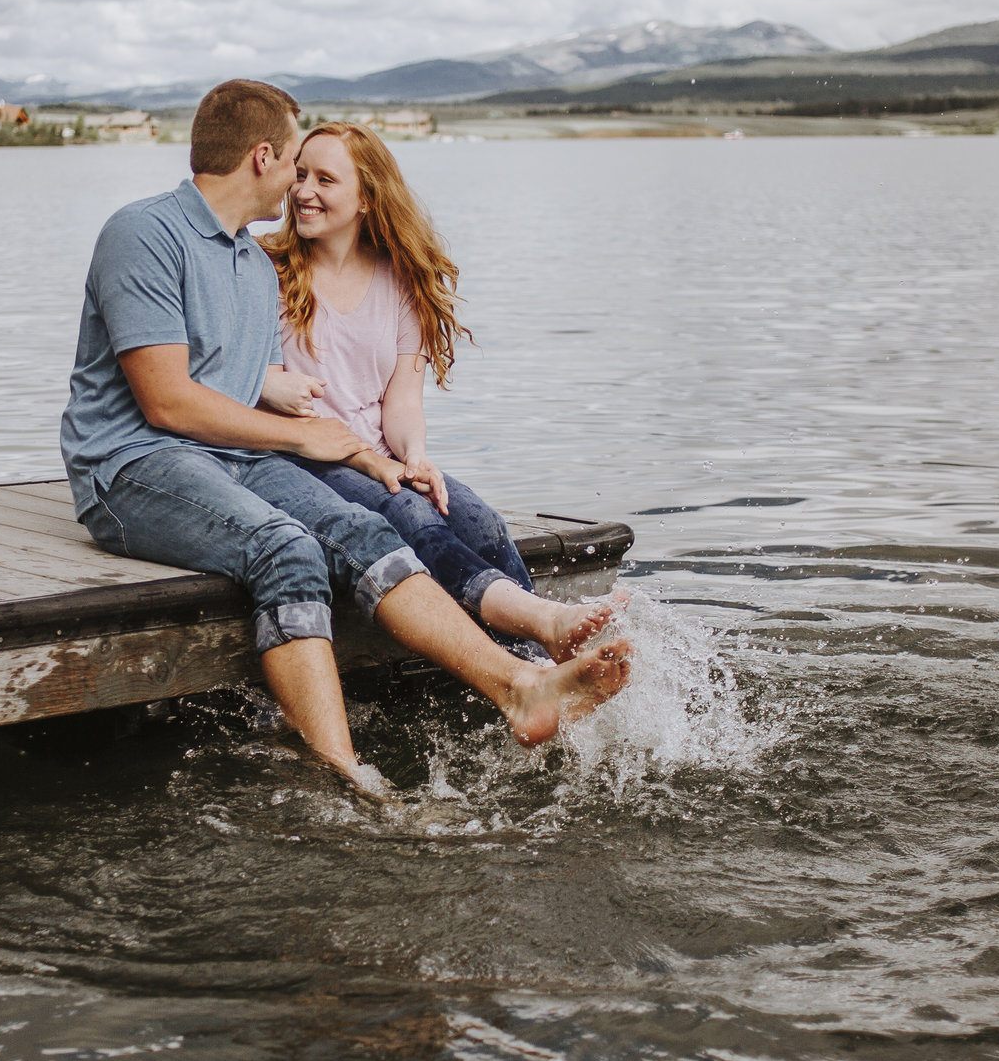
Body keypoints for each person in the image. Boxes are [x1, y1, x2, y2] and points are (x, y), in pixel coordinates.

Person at [58, 79, 629, 785]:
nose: (298, 180)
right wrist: (308, 438)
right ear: (263, 156)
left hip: (233, 458)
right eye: (296, 161)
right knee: (289, 548)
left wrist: (368, 449)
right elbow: (168, 403)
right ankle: (343, 770)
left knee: (371, 531)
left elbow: (247, 385)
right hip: (132, 466)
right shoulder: (144, 233)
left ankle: (523, 686)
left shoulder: (247, 264)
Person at [261, 121, 623, 664]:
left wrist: (414, 457)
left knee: (479, 521)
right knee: (411, 517)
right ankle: (538, 637)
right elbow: (254, 383)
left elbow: (401, 401)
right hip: (303, 458)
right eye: (301, 174)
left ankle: (542, 669)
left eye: (325, 180)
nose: (304, 191)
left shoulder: (399, 279)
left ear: (367, 197)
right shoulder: (267, 270)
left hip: (377, 454)